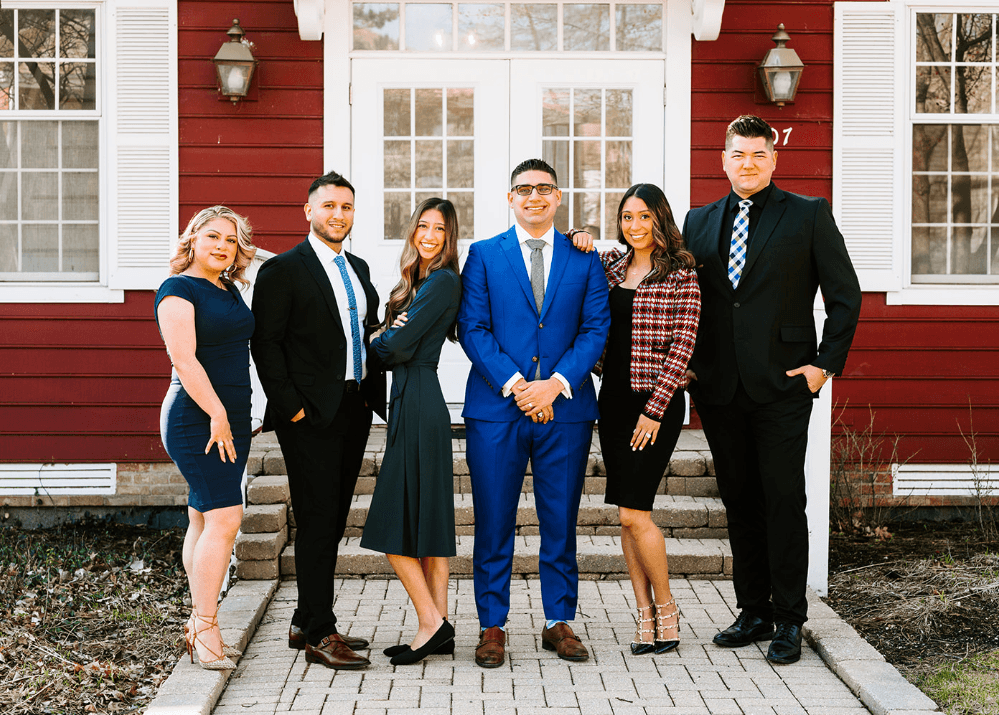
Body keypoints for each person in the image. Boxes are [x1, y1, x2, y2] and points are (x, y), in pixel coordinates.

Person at [682, 115, 861, 664]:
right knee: (739, 502)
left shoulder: (807, 215)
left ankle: (789, 618)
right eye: (739, 154)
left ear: (773, 159)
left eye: (759, 154)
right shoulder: (698, 221)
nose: (748, 163)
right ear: (724, 159)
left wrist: (822, 366)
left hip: (783, 385)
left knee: (784, 500)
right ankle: (753, 609)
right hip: (719, 388)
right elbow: (677, 290)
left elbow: (845, 295)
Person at [457, 158, 611, 668]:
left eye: (544, 189)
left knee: (560, 518)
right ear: (510, 198)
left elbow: (594, 329)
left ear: (559, 196)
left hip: (564, 410)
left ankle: (558, 621)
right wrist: (521, 386)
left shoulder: (584, 257)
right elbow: (473, 328)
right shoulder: (482, 255)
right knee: (494, 520)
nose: (534, 197)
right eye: (523, 189)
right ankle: (492, 625)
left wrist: (556, 385)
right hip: (498, 408)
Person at [251, 171, 386, 671]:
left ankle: (306, 618)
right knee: (316, 517)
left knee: (331, 517)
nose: (338, 215)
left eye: (347, 207)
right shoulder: (284, 270)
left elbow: (362, 331)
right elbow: (265, 345)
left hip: (352, 407)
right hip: (308, 415)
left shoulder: (359, 267)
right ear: (308, 211)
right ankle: (320, 635)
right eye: (328, 206)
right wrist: (292, 408)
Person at [588, 184, 700, 655]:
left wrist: (655, 410)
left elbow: (683, 346)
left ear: (660, 220)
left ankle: (668, 609)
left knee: (637, 511)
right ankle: (643, 612)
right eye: (627, 217)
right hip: (611, 400)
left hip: (655, 404)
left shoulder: (681, 274)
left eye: (643, 217)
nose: (634, 226)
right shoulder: (611, 267)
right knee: (626, 515)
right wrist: (581, 236)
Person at [360, 198, 463, 666]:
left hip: (421, 400)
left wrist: (379, 339)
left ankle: (430, 623)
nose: (428, 235)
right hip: (411, 402)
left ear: (448, 236)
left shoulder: (442, 282)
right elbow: (394, 337)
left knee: (391, 527)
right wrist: (389, 333)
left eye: (438, 229)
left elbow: (395, 346)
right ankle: (437, 626)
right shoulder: (416, 282)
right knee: (428, 522)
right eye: (422, 226)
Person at [156, 206, 256, 670]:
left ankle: (197, 622)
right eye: (212, 236)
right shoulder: (177, 290)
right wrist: (217, 414)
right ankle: (206, 626)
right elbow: (185, 359)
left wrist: (236, 415)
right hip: (197, 418)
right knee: (226, 517)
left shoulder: (229, 286)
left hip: (231, 416)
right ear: (192, 238)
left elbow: (270, 261)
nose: (222, 246)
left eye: (231, 241)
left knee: (201, 517)